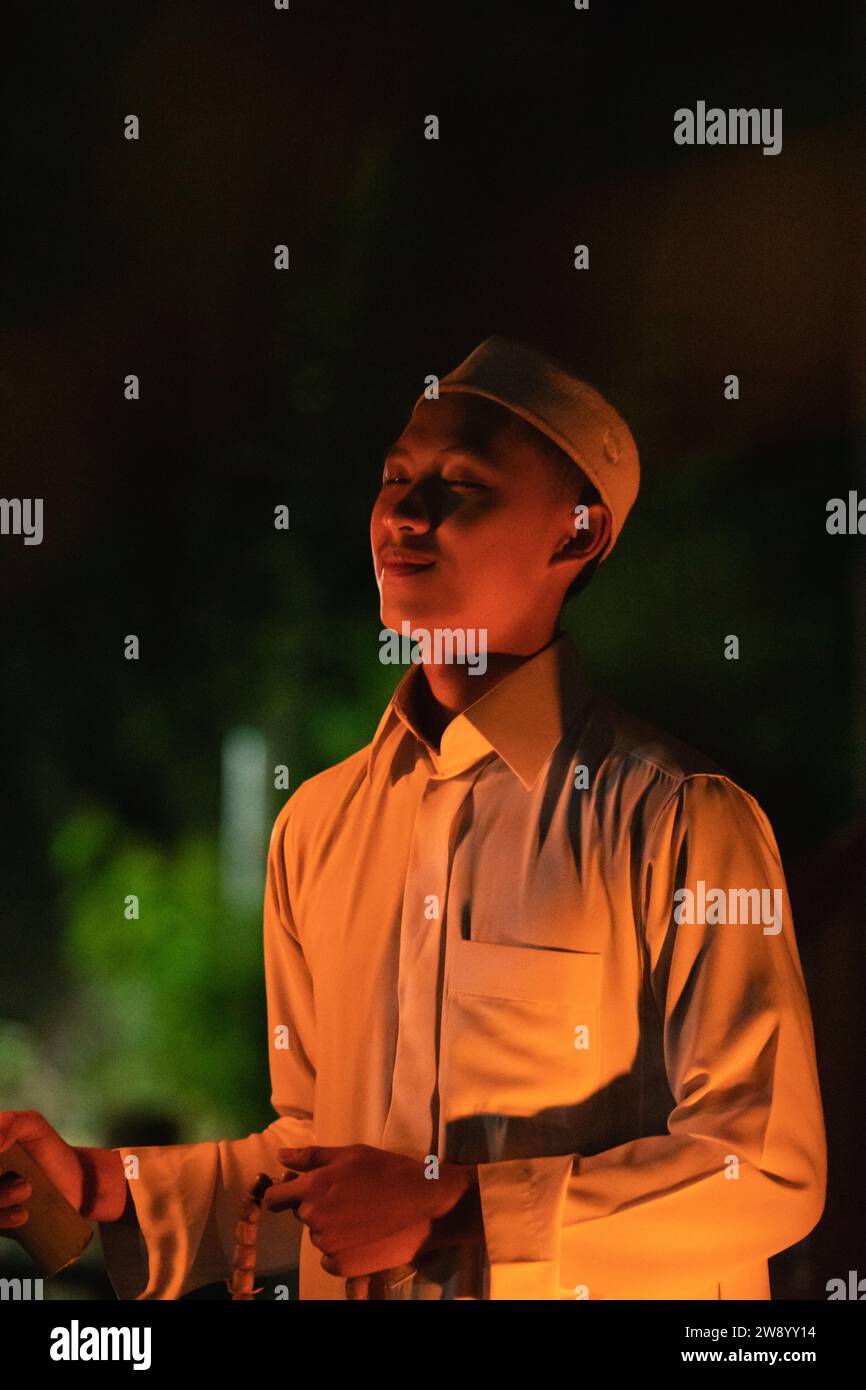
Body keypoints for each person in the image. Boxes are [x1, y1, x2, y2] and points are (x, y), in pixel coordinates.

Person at [0, 336, 826, 1299]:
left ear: (578, 534)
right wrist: (109, 1187)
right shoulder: (316, 827)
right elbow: (315, 1161)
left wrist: (457, 1203)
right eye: (395, 478)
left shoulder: (683, 825)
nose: (402, 511)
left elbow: (762, 1171)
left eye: (460, 485)